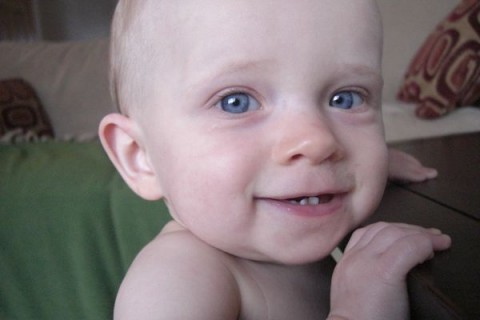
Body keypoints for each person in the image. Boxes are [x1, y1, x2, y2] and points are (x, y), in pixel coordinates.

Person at [99, 0, 450, 319]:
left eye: (346, 98)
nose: (318, 141)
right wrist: (356, 311)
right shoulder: (176, 280)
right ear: (140, 157)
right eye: (236, 102)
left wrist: (369, 163)